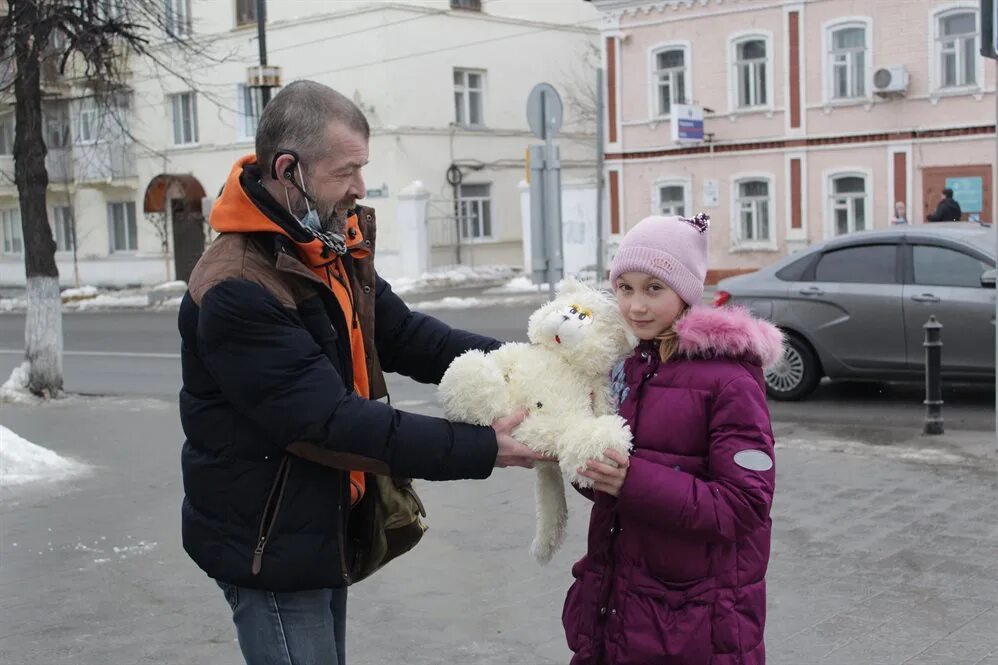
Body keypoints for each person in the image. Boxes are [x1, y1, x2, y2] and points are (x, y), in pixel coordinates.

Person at [177, 81, 543, 665]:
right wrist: (483, 448)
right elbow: (328, 421)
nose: (360, 188)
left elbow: (402, 335)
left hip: (316, 524)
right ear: (289, 169)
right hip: (267, 542)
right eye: (346, 170)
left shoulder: (320, 240)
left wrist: (526, 365)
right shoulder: (237, 287)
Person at [561, 214, 781, 665]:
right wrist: (582, 457)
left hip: (695, 620)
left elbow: (744, 504)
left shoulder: (728, 379)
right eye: (625, 288)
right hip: (621, 602)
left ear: (685, 293)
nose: (635, 306)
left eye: (653, 289)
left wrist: (629, 481)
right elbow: (611, 490)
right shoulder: (627, 365)